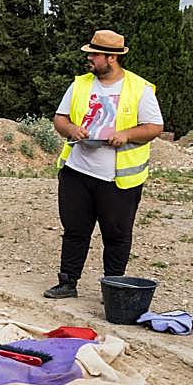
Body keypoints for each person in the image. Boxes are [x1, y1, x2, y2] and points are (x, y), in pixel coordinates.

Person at [44, 29, 164, 300]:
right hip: (78, 171)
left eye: (94, 54)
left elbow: (155, 127)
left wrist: (127, 135)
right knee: (75, 230)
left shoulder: (139, 89)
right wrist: (71, 129)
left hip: (118, 178)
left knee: (117, 235)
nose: (89, 59)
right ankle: (67, 282)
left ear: (111, 58)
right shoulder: (80, 84)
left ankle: (113, 288)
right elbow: (60, 119)